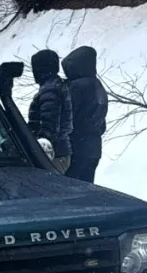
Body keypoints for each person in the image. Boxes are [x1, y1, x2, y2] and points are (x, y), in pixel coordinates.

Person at [61, 46, 109, 183]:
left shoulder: (76, 87)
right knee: (86, 189)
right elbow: (102, 123)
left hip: (76, 146)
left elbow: (67, 115)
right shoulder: (98, 86)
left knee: (69, 189)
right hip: (94, 148)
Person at [28, 49, 74, 173]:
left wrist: (39, 150)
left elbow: (49, 126)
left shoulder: (51, 89)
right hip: (58, 151)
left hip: (52, 154)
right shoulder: (55, 85)